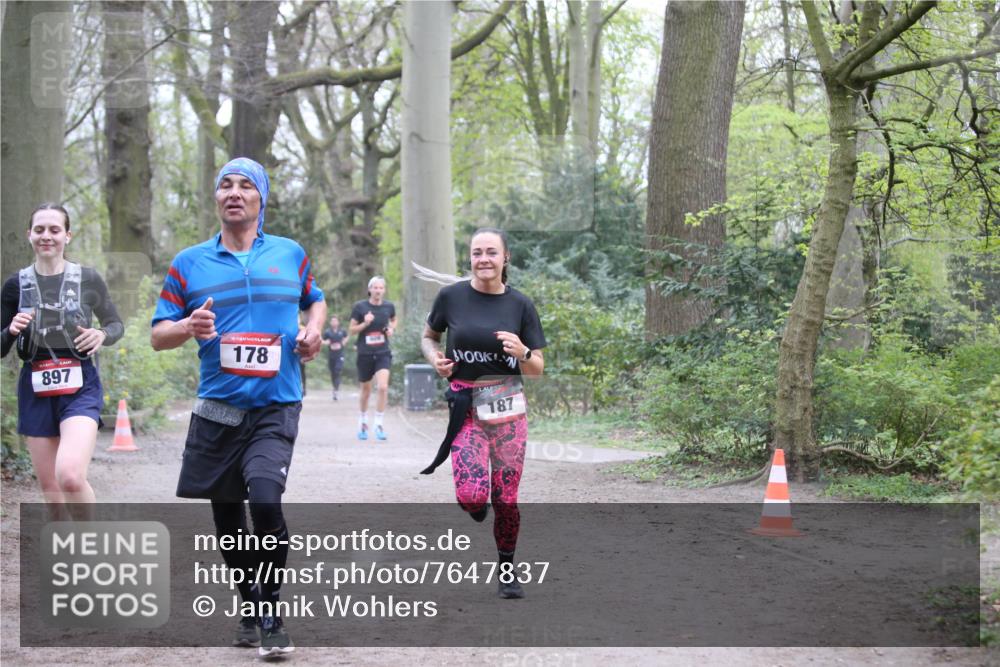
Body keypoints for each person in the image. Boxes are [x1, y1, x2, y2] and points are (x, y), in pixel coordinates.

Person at [150, 158, 325, 657]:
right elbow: (158, 334)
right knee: (228, 523)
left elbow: (316, 300)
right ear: (216, 198)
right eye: (225, 184)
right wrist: (188, 327)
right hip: (218, 409)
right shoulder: (189, 263)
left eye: (246, 185)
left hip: (276, 405)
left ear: (261, 200)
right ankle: (247, 603)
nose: (234, 192)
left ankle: (271, 609)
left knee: (266, 501)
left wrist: (312, 331)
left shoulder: (290, 254)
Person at [420, 227, 546, 599]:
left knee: (506, 498)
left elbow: (538, 367)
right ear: (470, 258)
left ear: (505, 258)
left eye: (492, 252)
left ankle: (507, 567)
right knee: (474, 496)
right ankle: (477, 505)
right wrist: (435, 360)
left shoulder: (520, 305)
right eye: (477, 253)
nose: (484, 259)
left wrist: (522, 352)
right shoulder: (451, 297)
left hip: (508, 410)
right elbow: (429, 336)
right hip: (467, 408)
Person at [1, 203, 124, 519]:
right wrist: (11, 331)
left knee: (69, 476)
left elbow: (115, 324)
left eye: (54, 230)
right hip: (35, 388)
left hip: (79, 385)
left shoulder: (87, 278)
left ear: (67, 235)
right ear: (29, 234)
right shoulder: (16, 285)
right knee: (53, 497)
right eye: (39, 229)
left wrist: (101, 335)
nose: (46, 236)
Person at [349, 276, 396, 441]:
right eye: (375, 288)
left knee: (382, 387)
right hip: (365, 353)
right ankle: (362, 422)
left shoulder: (389, 306)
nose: (378, 290)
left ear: (384, 290)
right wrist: (365, 323)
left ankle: (378, 424)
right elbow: (352, 330)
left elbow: (393, 321)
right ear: (370, 290)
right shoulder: (360, 307)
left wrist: (391, 329)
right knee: (366, 391)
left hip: (383, 352)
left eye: (380, 288)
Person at [321, 315, 348, 400]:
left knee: (337, 370)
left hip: (340, 354)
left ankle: (336, 390)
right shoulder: (327, 332)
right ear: (330, 322)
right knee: (333, 373)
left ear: (338, 322)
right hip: (331, 355)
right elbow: (322, 340)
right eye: (332, 321)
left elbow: (347, 337)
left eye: (335, 321)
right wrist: (326, 342)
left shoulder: (342, 331)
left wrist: (344, 342)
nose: (334, 322)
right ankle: (334, 388)